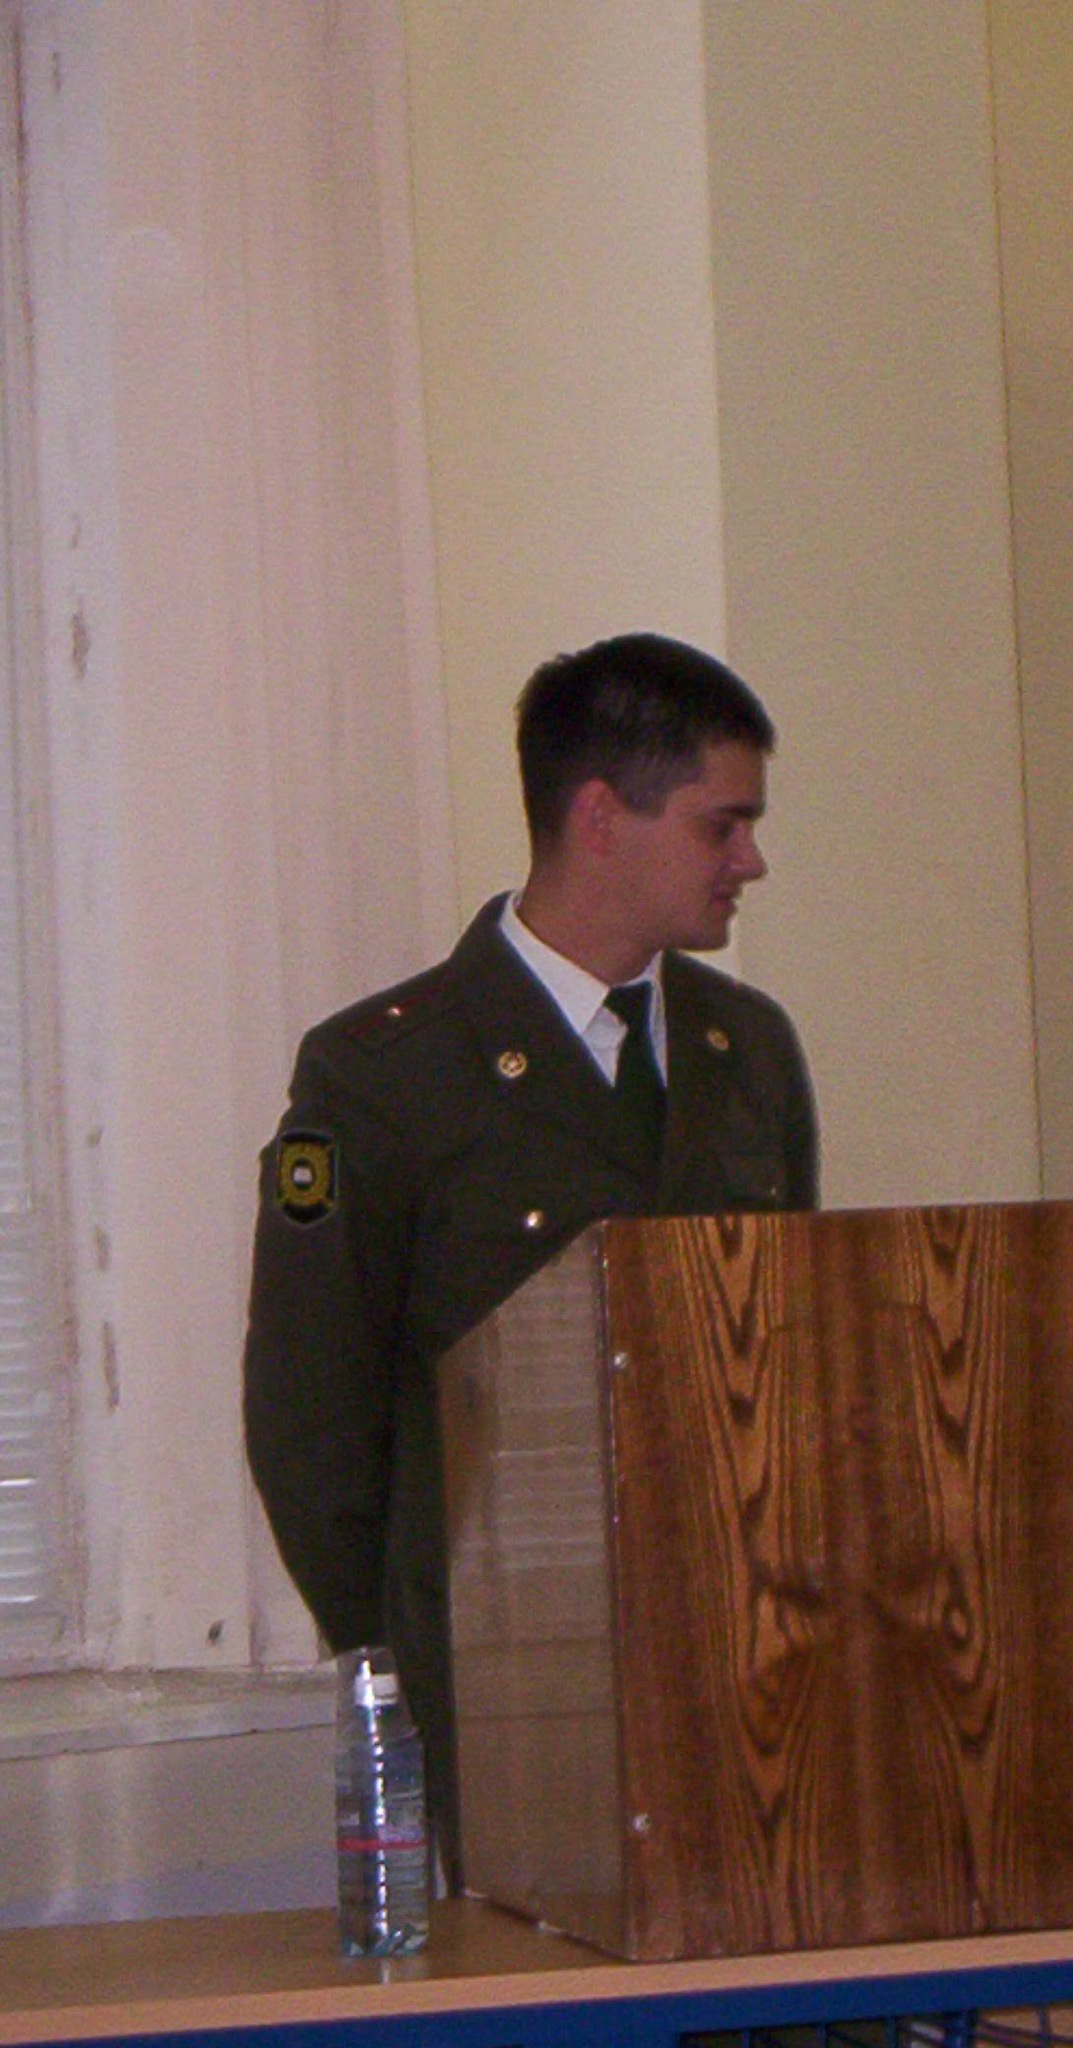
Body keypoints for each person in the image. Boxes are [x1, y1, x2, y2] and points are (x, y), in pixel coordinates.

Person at [242, 632, 817, 1866]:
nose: (750, 860)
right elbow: (309, 1408)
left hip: (740, 1665)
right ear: (600, 815)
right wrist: (402, 1651)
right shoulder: (378, 1074)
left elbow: (792, 1352)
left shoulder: (748, 1051)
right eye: (721, 825)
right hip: (502, 1684)